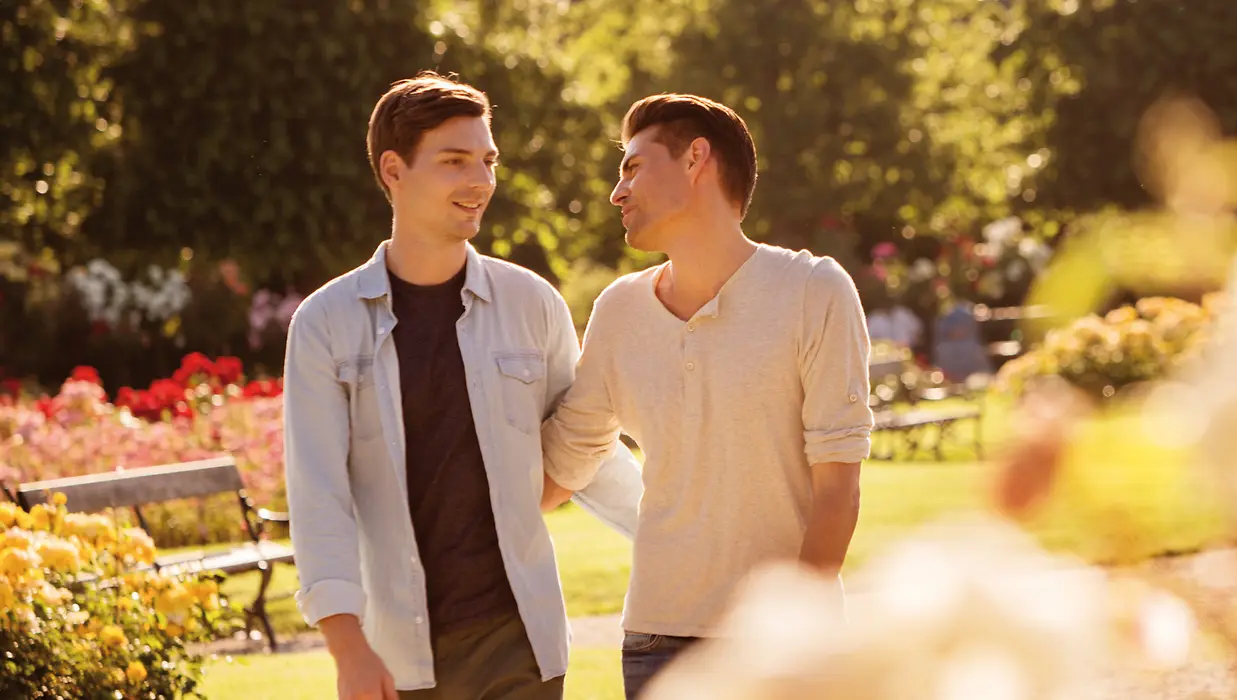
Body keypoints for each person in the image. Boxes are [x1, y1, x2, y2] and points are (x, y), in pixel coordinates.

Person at [283, 71, 639, 700]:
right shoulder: (325, 324)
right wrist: (348, 650)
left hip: (523, 644)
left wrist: (695, 538)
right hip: (399, 655)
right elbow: (319, 496)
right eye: (454, 161)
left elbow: (590, 451)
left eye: (487, 160)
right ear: (394, 170)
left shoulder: (532, 303)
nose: (480, 181)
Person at [538, 93, 875, 699]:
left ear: (696, 158)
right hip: (656, 645)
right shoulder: (619, 310)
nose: (617, 192)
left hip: (784, 646)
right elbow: (563, 465)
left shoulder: (813, 291)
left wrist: (789, 637)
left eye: (633, 167)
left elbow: (838, 492)